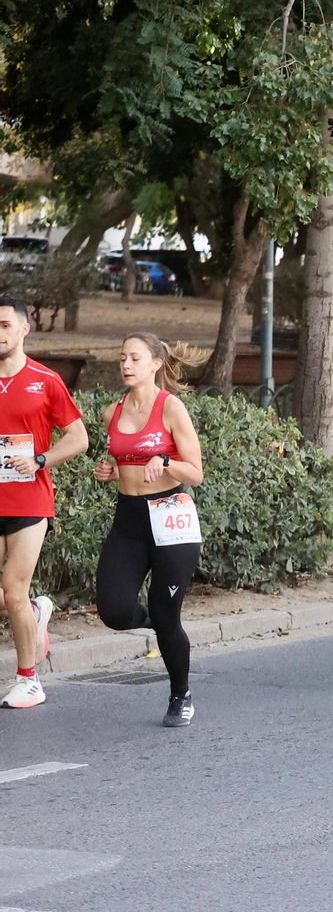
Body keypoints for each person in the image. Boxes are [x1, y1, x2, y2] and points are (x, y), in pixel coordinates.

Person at [91, 334, 206, 725]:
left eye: (135, 358)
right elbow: (117, 457)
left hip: (171, 517)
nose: (126, 364)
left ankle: (180, 694)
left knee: (167, 612)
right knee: (114, 610)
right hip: (130, 520)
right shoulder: (113, 411)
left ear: (155, 363)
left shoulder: (171, 408)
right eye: (122, 357)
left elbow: (196, 473)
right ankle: (155, 618)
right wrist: (106, 472)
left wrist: (166, 462)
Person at [0, 296, 89, 711]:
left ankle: (29, 680)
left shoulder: (45, 379)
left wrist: (38, 459)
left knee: (12, 589)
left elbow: (78, 438)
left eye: (4, 325)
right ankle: (37, 612)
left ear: (23, 329)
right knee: (10, 597)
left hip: (29, 498)